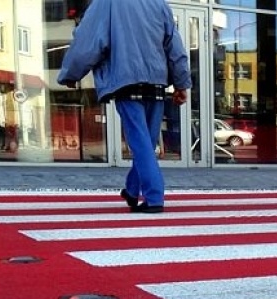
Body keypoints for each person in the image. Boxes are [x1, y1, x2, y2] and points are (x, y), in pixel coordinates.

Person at [57, 0, 191, 213]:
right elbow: (174, 46)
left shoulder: (107, 3)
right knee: (146, 142)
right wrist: (181, 83)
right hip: (156, 82)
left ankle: (154, 197)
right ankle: (131, 190)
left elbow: (88, 41)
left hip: (125, 79)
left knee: (140, 143)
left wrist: (72, 73)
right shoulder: (159, 4)